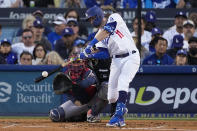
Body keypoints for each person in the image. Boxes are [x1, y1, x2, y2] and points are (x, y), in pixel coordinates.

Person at [80, 6, 140, 127]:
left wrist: (90, 45)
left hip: (131, 56)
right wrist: (89, 55)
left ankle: (119, 117)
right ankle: (121, 109)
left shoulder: (114, 17)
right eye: (89, 20)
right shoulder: (99, 35)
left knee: (123, 81)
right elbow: (105, 53)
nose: (91, 22)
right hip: (116, 60)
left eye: (92, 19)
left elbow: (107, 30)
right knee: (111, 96)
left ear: (98, 16)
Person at [49, 47, 108, 122]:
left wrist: (72, 86)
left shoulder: (89, 73)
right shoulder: (67, 74)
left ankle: (93, 114)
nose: (76, 65)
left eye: (78, 62)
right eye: (74, 62)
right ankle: (81, 115)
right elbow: (73, 98)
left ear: (84, 62)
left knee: (106, 88)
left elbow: (84, 85)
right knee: (56, 115)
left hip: (93, 100)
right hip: (79, 103)